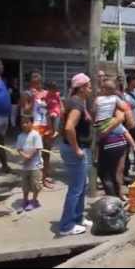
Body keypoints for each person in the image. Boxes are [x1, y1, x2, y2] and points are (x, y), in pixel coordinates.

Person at [59, 73, 94, 236]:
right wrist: (77, 149)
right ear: (81, 88)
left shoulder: (78, 101)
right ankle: (66, 226)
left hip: (80, 148)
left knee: (82, 186)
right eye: (88, 86)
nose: (91, 88)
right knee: (75, 188)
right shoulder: (76, 103)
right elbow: (68, 127)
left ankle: (78, 218)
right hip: (75, 151)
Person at [20, 71, 55, 188]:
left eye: (39, 75)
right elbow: (25, 111)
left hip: (46, 125)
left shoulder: (46, 93)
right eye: (34, 76)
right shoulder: (27, 93)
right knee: (36, 154)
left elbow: (51, 110)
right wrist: (33, 98)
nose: (38, 78)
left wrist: (52, 127)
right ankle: (36, 179)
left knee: (46, 153)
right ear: (30, 80)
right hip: (35, 126)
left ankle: (45, 177)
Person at [93, 79, 135, 155]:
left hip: (99, 123)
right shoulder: (115, 98)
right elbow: (124, 107)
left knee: (99, 139)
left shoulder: (98, 99)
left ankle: (96, 156)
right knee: (125, 131)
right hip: (109, 121)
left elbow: (94, 111)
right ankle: (134, 147)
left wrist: (95, 121)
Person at [16, 116, 43, 212]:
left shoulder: (36, 135)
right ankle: (25, 200)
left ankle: (34, 201)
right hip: (25, 166)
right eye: (22, 123)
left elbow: (37, 148)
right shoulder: (20, 136)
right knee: (25, 184)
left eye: (27, 122)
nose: (24, 124)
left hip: (35, 165)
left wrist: (29, 156)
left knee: (36, 184)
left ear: (32, 123)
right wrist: (24, 155)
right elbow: (19, 149)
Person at [0, 59, 12, 173]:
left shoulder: (2, 80)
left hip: (4, 116)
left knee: (0, 142)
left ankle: (5, 165)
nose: (2, 66)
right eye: (0, 64)